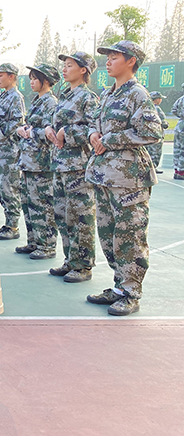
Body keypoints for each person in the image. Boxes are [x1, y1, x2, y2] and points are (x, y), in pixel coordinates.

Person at [85, 41, 163, 315]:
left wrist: (110, 139)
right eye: (107, 57)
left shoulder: (137, 94)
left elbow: (152, 132)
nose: (108, 62)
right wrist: (93, 134)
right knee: (109, 236)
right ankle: (119, 287)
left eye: (115, 57)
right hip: (105, 175)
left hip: (130, 179)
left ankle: (131, 293)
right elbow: (95, 124)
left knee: (130, 237)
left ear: (131, 61)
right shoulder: (108, 94)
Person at [45, 51, 99, 282]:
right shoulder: (65, 96)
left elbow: (94, 129)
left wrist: (67, 132)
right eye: (64, 65)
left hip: (78, 167)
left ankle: (83, 265)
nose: (64, 69)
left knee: (80, 217)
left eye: (69, 65)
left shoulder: (88, 98)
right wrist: (49, 129)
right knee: (62, 215)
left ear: (83, 70)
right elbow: (57, 124)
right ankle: (70, 259)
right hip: (60, 164)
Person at [16, 63, 60, 258]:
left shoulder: (51, 103)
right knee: (28, 203)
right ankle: (34, 241)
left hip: (42, 163)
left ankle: (47, 245)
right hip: (29, 161)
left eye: (35, 78)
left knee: (42, 204)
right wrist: (23, 130)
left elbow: (52, 133)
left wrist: (31, 132)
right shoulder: (37, 101)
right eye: (31, 78)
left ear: (46, 81)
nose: (31, 82)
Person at [0, 63, 26, 240]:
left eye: (1, 75)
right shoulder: (3, 96)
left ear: (12, 76)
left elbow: (17, 124)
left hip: (9, 152)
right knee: (0, 189)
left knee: (9, 189)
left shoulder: (15, 97)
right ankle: (8, 223)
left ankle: (13, 226)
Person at [147, 91, 169, 174]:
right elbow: (161, 120)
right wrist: (165, 123)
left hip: (148, 133)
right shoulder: (156, 108)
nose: (161, 100)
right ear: (156, 99)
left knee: (148, 151)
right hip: (156, 133)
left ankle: (148, 168)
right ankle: (153, 168)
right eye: (160, 98)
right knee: (156, 152)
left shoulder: (146, 107)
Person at [173, 84, 184, 180]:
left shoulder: (180, 99)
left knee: (177, 149)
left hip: (179, 125)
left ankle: (177, 171)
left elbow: (174, 110)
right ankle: (181, 172)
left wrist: (181, 115)